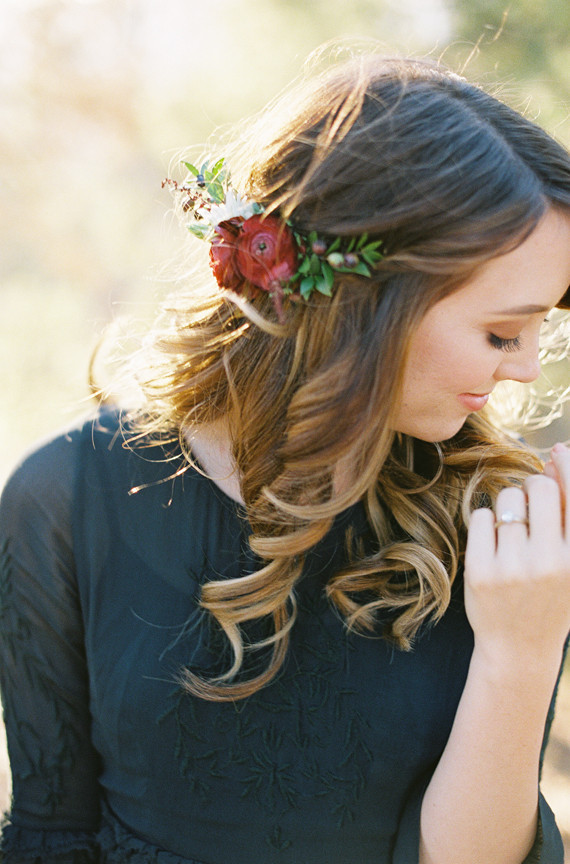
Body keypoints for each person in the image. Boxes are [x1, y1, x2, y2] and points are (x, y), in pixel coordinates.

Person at [1, 49, 570, 864]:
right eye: (502, 332)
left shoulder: (496, 525)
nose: (528, 367)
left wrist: (523, 651)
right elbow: (49, 838)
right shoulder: (66, 501)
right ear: (366, 305)